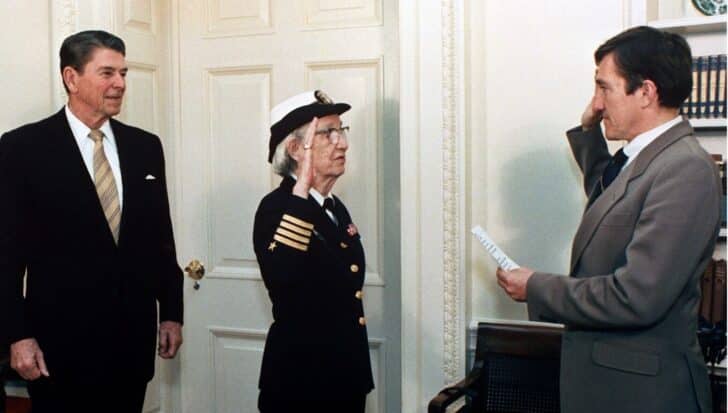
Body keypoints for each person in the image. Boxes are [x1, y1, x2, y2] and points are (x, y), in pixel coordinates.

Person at [495, 26, 719, 413]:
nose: (596, 102)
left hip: (643, 397)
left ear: (646, 92)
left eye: (604, 87)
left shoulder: (685, 169)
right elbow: (611, 200)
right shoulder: (648, 158)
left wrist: (536, 287)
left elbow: (636, 297)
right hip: (612, 389)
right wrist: (588, 132)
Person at [0, 30, 183, 413]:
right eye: (107, 73)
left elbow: (160, 240)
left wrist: (171, 313)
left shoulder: (145, 147)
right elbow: (7, 255)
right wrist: (16, 336)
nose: (120, 84)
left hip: (130, 346)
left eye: (123, 73)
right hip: (59, 349)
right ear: (71, 77)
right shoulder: (22, 149)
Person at [253, 90, 374, 412]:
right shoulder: (277, 208)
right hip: (302, 383)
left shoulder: (334, 207)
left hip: (344, 376)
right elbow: (282, 276)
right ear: (295, 149)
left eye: (342, 131)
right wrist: (302, 187)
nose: (343, 143)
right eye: (328, 133)